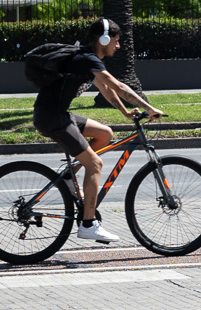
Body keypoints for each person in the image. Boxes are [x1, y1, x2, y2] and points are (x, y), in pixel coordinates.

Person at [30, 18, 162, 245]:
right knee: (95, 164)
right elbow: (119, 86)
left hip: (57, 114)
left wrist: (125, 112)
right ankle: (88, 224)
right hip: (52, 118)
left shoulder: (89, 59)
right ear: (104, 39)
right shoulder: (86, 58)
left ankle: (70, 173)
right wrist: (149, 108)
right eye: (116, 41)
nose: (118, 46)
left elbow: (106, 88)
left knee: (105, 134)